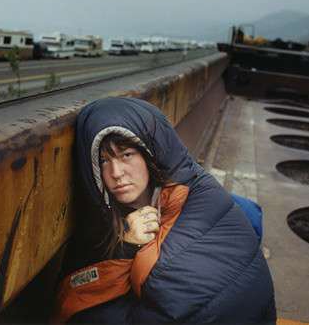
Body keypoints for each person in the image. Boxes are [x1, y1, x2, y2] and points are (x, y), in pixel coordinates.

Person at [53, 97, 276, 324]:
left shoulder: (194, 191)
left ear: (149, 153)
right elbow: (79, 286)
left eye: (125, 155)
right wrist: (126, 245)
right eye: (103, 161)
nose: (116, 172)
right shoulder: (100, 222)